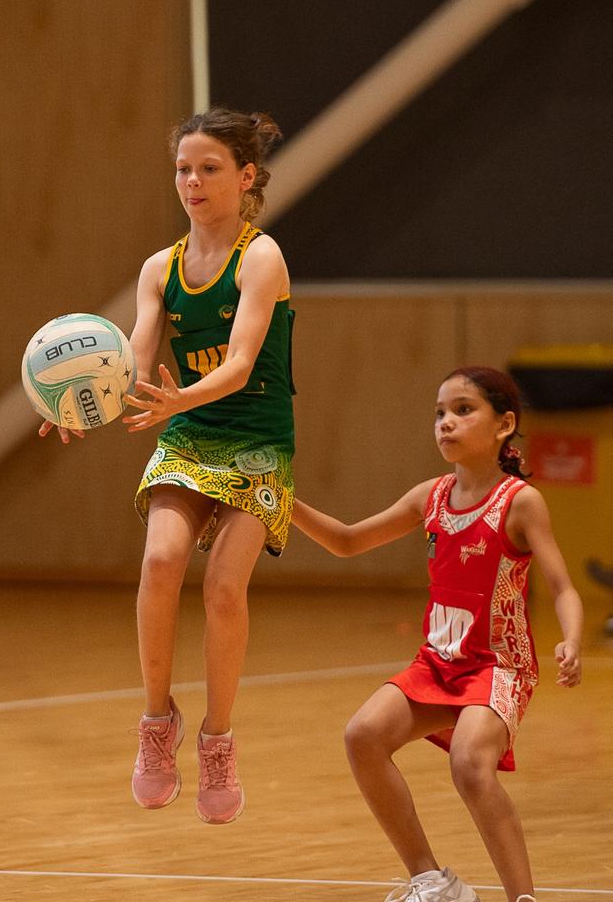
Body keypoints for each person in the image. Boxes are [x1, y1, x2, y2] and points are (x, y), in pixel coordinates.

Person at [40, 107, 295, 824]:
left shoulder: (261, 255)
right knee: (159, 565)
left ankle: (218, 739)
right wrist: (76, 402)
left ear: (245, 177)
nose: (192, 181)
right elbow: (130, 355)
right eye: (183, 168)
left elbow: (242, 363)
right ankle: (159, 725)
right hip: (189, 436)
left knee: (221, 590)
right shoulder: (162, 267)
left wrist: (179, 394)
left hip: (257, 440)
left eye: (209, 168)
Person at [291, 366, 582, 902]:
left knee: (470, 764)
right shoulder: (431, 495)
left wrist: (570, 637)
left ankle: (523, 898)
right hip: (439, 663)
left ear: (504, 425)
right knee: (363, 736)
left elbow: (562, 585)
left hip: (499, 665)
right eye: (439, 413)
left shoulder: (519, 501)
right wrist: (279, 500)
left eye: (463, 410)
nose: (446, 422)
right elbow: (348, 542)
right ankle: (433, 881)